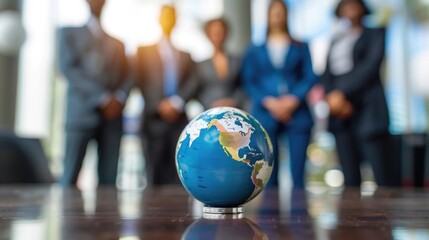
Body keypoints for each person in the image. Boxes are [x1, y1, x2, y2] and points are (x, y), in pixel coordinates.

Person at [241, 0, 318, 188]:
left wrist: (293, 99)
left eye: (281, 12)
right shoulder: (254, 50)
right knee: (267, 177)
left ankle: (300, 216)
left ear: (286, 15)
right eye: (273, 13)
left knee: (299, 176)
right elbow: (250, 81)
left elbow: (309, 76)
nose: (277, 17)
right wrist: (270, 102)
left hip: (297, 114)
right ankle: (269, 218)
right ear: (268, 16)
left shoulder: (301, 46)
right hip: (266, 114)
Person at [59, 0, 130, 186]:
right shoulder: (68, 34)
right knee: (70, 178)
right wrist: (103, 98)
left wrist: (119, 98)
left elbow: (128, 76)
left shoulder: (118, 44)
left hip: (112, 118)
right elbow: (68, 69)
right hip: (80, 115)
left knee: (109, 181)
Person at [321, 0, 391, 186]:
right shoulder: (336, 39)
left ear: (362, 8)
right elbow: (327, 73)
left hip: (368, 109)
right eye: (345, 5)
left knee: (382, 174)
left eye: (354, 4)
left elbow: (370, 67)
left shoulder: (376, 33)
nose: (350, 8)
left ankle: (386, 215)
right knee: (350, 177)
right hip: (340, 114)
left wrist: (341, 93)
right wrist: (331, 98)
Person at [135, 5, 196, 186]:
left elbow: (193, 82)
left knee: (178, 177)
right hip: (153, 120)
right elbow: (139, 80)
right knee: (153, 176)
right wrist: (159, 105)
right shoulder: (143, 52)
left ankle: (178, 216)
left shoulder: (186, 55)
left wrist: (176, 103)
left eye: (172, 17)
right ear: (159, 20)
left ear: (176, 21)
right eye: (165, 17)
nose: (168, 20)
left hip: (179, 122)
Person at [193, 18, 243, 110]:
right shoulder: (200, 65)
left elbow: (243, 86)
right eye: (214, 33)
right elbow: (197, 91)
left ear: (226, 33)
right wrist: (211, 103)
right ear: (208, 35)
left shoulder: (237, 61)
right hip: (210, 111)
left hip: (234, 110)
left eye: (220, 32)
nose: (218, 36)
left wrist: (234, 101)